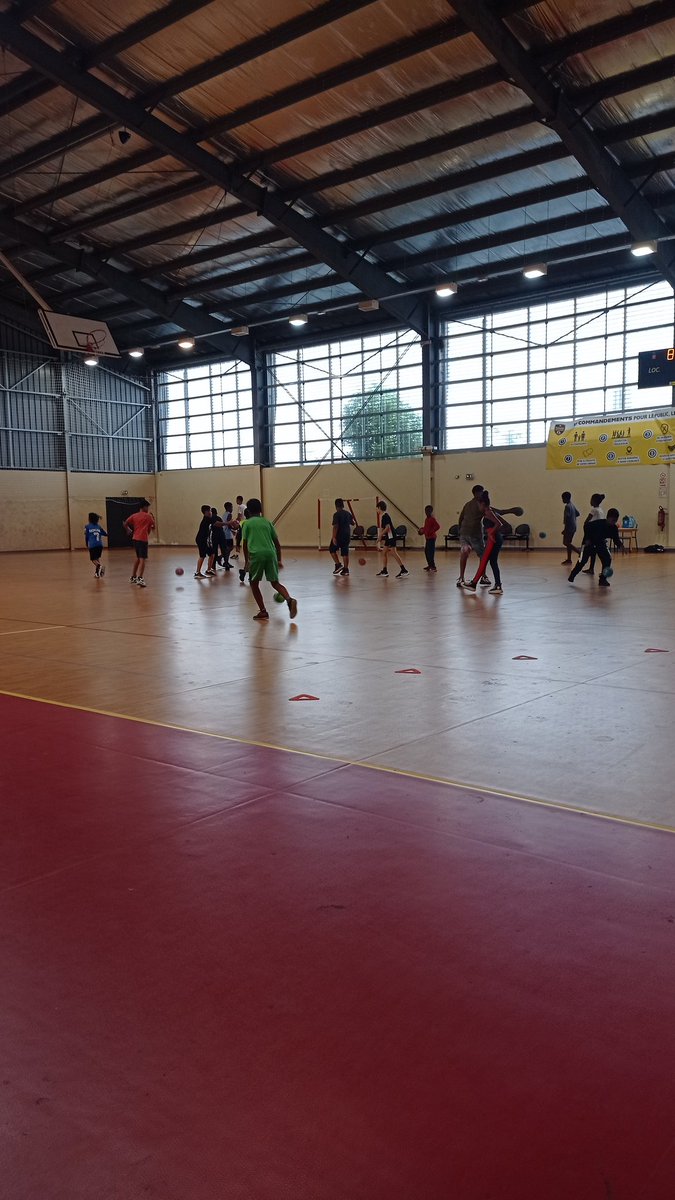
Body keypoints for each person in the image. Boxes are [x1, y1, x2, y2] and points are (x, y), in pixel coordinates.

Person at [241, 498, 298, 621]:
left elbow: (244, 545)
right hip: (271, 554)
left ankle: (263, 611)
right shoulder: (267, 522)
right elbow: (277, 543)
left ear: (248, 511)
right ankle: (289, 599)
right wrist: (279, 560)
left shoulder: (247, 524)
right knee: (275, 583)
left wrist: (247, 561)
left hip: (256, 555)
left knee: (254, 583)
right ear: (261, 510)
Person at [461, 491, 506, 594]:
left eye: (478, 505)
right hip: (493, 538)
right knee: (490, 561)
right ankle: (495, 585)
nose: (478, 507)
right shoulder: (486, 511)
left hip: (494, 539)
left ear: (482, 504)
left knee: (485, 560)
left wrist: (491, 534)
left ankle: (474, 583)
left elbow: (499, 524)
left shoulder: (488, 512)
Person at [569, 506, 621, 587]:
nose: (614, 522)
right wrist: (587, 538)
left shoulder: (614, 528)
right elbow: (586, 526)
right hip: (589, 543)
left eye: (615, 520)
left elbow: (616, 539)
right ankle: (573, 574)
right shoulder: (597, 524)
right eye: (613, 520)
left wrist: (620, 545)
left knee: (607, 559)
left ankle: (603, 579)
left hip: (600, 543)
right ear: (608, 517)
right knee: (582, 560)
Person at [457, 484, 490, 588]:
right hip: (474, 534)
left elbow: (460, 518)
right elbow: (492, 512)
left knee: (465, 551)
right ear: (476, 493)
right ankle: (483, 576)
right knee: (483, 556)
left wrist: (460, 531)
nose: (482, 494)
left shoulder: (467, 504)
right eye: (481, 492)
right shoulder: (480, 504)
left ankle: (461, 578)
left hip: (464, 532)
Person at [570, 493, 605, 579]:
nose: (590, 501)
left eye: (591, 499)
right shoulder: (601, 510)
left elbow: (586, 521)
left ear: (594, 501)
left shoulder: (593, 510)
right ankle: (591, 568)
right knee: (593, 553)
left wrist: (586, 531)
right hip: (598, 535)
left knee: (583, 550)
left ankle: (579, 562)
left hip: (590, 534)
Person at [124, 499, 155, 587]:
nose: (148, 508)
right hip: (142, 539)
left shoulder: (134, 516)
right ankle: (140, 578)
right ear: (144, 507)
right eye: (147, 507)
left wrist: (128, 529)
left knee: (138, 558)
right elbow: (153, 527)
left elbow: (125, 523)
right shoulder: (148, 516)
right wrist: (153, 519)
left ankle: (133, 577)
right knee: (142, 559)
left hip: (135, 539)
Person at [375, 500, 408, 578]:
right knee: (384, 553)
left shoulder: (385, 516)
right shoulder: (384, 516)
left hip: (391, 536)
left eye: (377, 508)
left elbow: (387, 528)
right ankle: (384, 570)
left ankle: (404, 570)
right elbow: (384, 528)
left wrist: (380, 536)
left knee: (393, 553)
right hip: (389, 536)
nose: (376, 510)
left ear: (379, 508)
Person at [330, 499, 355, 576]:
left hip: (339, 535)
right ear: (343, 505)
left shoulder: (336, 514)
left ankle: (338, 565)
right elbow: (353, 523)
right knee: (345, 552)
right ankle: (346, 569)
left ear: (336, 506)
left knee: (331, 549)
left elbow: (335, 526)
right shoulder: (348, 513)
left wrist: (334, 537)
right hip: (347, 535)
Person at [194, 505, 216, 578]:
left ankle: (208, 570)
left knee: (212, 554)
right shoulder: (206, 519)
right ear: (206, 512)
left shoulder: (209, 518)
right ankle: (197, 573)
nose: (211, 512)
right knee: (202, 556)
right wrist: (228, 523)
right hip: (201, 540)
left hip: (206, 540)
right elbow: (217, 524)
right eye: (210, 511)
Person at [84, 512, 107, 579]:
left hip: (93, 545)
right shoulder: (98, 526)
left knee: (93, 560)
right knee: (97, 558)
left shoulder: (87, 526)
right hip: (100, 545)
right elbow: (105, 534)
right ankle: (97, 573)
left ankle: (100, 566)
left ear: (89, 519)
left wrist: (86, 543)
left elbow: (86, 536)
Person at [419, 504, 440, 572]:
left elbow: (437, 526)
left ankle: (433, 567)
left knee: (430, 552)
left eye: (428, 511)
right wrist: (422, 531)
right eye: (425, 511)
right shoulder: (426, 519)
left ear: (431, 511)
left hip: (432, 538)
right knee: (426, 552)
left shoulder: (432, 519)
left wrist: (431, 532)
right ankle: (429, 565)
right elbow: (426, 528)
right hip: (427, 538)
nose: (426, 512)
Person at [561, 491, 580, 565]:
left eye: (562, 498)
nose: (562, 500)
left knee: (566, 542)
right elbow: (578, 514)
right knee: (568, 543)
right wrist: (573, 517)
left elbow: (567, 519)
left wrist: (565, 529)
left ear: (566, 498)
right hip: (573, 526)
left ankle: (579, 552)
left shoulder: (567, 506)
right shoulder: (572, 505)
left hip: (569, 527)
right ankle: (569, 559)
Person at [221, 501, 236, 570]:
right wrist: (234, 529)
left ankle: (225, 561)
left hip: (224, 533)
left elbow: (225, 524)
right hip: (228, 534)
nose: (232, 508)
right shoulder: (229, 514)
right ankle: (224, 560)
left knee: (228, 548)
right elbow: (229, 524)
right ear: (228, 507)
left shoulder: (224, 514)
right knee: (230, 548)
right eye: (231, 507)